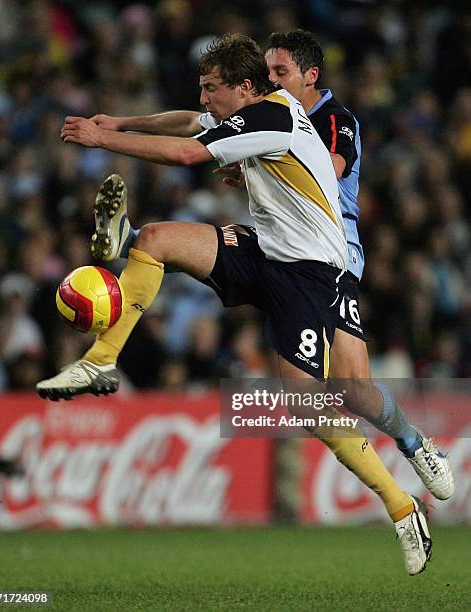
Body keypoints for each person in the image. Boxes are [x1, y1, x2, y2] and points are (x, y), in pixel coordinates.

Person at [37, 34, 431, 574]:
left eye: (211, 89)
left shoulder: (274, 118)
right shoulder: (249, 115)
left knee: (306, 403)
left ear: (244, 87)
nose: (204, 99)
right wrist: (121, 124)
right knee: (156, 240)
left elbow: (185, 153)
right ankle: (101, 361)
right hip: (264, 248)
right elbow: (186, 125)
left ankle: (402, 507)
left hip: (309, 273)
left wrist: (101, 141)